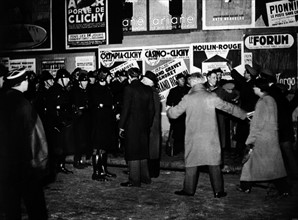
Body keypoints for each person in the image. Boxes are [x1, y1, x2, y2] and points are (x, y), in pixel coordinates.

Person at [167, 72, 247, 198]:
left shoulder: (188, 98)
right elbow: (228, 107)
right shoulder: (211, 96)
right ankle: (218, 191)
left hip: (194, 137)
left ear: (192, 83)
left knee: (192, 163)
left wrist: (168, 110)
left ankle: (189, 190)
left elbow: (173, 114)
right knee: (213, 164)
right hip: (210, 138)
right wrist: (244, 115)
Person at [0, 67, 48, 219]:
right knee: (35, 203)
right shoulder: (24, 104)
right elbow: (37, 136)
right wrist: (41, 162)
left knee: (11, 205)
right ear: (21, 83)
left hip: (5, 161)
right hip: (25, 162)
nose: (28, 82)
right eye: (26, 79)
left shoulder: (2, 100)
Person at [237, 77, 290, 196]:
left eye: (254, 86)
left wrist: (250, 141)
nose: (253, 88)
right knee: (275, 165)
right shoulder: (271, 99)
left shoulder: (261, 102)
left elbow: (257, 125)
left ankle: (245, 186)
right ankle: (284, 189)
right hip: (271, 137)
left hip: (261, 138)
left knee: (248, 162)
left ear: (259, 88)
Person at [119, 67, 155, 187]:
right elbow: (152, 110)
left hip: (132, 125)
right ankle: (145, 177)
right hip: (144, 125)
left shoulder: (129, 89)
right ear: (139, 76)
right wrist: (147, 124)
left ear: (129, 77)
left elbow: (126, 109)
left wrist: (121, 126)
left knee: (133, 151)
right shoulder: (148, 90)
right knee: (143, 151)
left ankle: (134, 180)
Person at [259, 69, 298, 180]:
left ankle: (279, 178)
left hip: (279, 127)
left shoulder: (271, 93)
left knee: (281, 152)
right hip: (285, 126)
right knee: (287, 152)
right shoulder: (277, 91)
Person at [89, 68, 118, 181]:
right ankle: (96, 172)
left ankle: (103, 170)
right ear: (103, 76)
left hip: (106, 120)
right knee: (97, 147)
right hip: (98, 121)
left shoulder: (108, 88)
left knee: (104, 146)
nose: (111, 78)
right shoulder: (95, 88)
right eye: (109, 76)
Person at [228, 63, 259, 161]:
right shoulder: (251, 83)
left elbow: (239, 80)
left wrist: (231, 69)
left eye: (245, 72)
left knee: (243, 134)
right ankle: (239, 152)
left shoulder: (249, 84)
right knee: (242, 133)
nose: (244, 73)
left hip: (248, 113)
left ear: (249, 74)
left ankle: (240, 154)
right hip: (247, 112)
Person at [47, 68, 75, 174]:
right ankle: (55, 167)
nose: (68, 80)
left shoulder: (63, 90)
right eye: (66, 78)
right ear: (60, 79)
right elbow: (51, 109)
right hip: (55, 123)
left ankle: (61, 165)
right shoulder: (53, 91)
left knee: (62, 146)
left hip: (63, 122)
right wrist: (55, 123)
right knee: (56, 147)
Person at [141, 70, 162, 178]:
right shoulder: (154, 92)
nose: (142, 80)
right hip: (153, 125)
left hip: (151, 125)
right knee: (152, 149)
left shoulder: (151, 93)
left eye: (144, 79)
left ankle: (151, 172)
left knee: (151, 149)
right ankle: (152, 172)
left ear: (150, 82)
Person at [166, 73, 189, 155]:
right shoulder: (173, 91)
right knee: (177, 134)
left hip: (188, 116)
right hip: (177, 117)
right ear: (177, 80)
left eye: (183, 79)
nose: (182, 80)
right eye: (180, 79)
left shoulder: (189, 90)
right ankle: (176, 150)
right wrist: (170, 115)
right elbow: (168, 104)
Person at [71, 69, 90, 169]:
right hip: (78, 119)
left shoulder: (86, 91)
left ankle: (81, 160)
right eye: (83, 81)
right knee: (78, 140)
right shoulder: (75, 90)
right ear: (79, 82)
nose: (85, 83)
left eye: (86, 81)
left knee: (84, 140)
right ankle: (76, 160)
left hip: (85, 119)